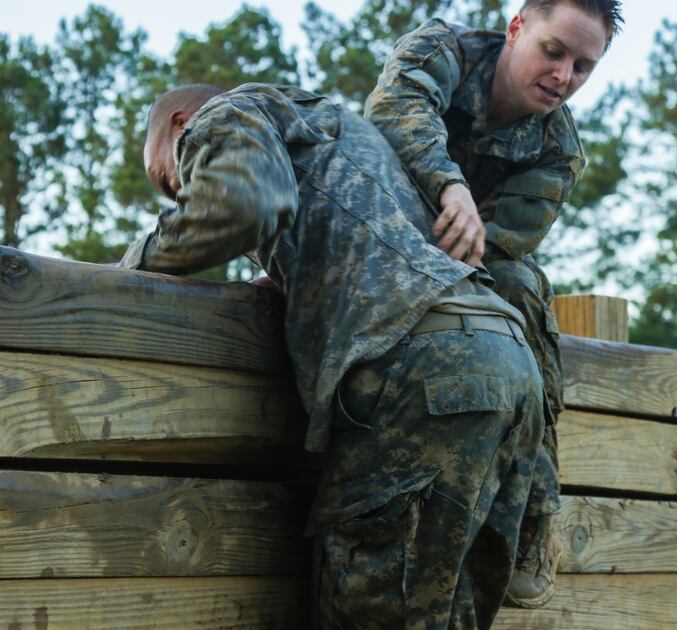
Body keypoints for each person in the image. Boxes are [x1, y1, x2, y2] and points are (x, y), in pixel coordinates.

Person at [121, 82, 545, 628]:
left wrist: (128, 267)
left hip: (428, 373)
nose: (176, 194)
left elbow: (246, 205)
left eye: (166, 178)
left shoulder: (228, 111)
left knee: (369, 611)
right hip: (508, 362)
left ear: (180, 123)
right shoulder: (347, 135)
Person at [364, 0, 623, 607]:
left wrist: (459, 236)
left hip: (459, 273)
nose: (564, 77)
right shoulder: (441, 52)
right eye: (553, 51)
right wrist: (449, 186)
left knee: (524, 290)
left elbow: (502, 243)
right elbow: (393, 111)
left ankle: (535, 509)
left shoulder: (558, 149)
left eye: (584, 67)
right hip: (371, 227)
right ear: (516, 29)